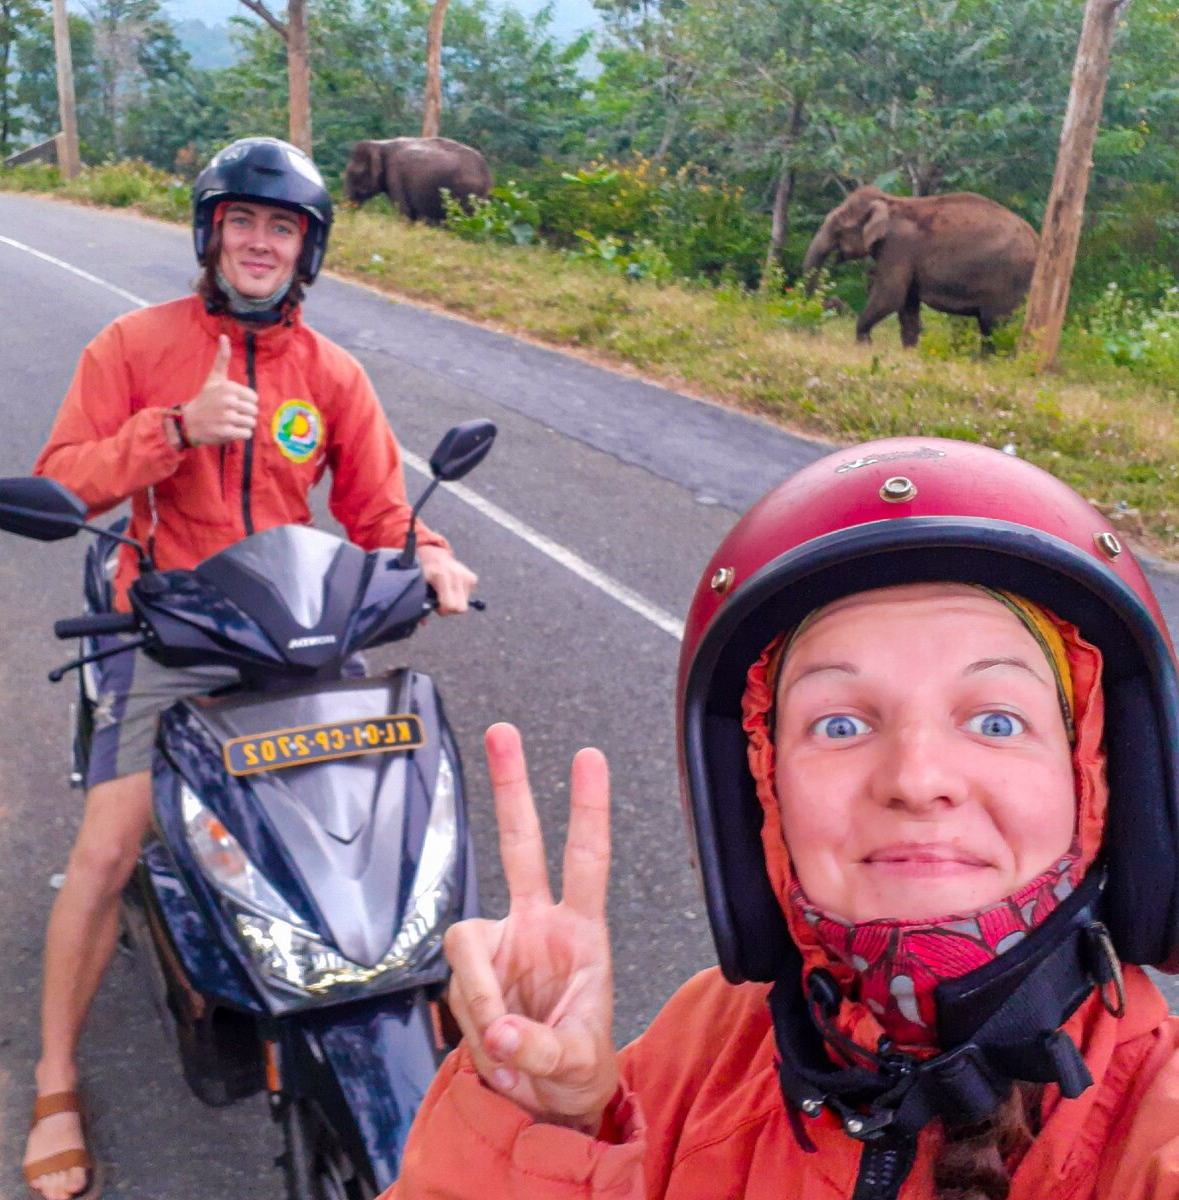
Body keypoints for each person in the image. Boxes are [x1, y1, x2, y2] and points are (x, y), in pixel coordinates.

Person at [385, 437, 1179, 1199]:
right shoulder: (700, 1053)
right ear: (762, 795)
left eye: (996, 721)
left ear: (1097, 779)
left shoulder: (1157, 1134)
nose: (916, 779)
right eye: (840, 725)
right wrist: (543, 1126)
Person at [22, 136, 478, 1200]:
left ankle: (438, 1033)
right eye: (243, 221)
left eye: (282, 227)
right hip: (171, 632)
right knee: (109, 844)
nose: (261, 242)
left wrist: (438, 558)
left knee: (402, 833)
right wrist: (171, 430)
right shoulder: (136, 346)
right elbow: (61, 479)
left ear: (306, 247)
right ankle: (52, 1079)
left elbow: (378, 515)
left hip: (302, 630)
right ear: (209, 232)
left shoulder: (332, 374)